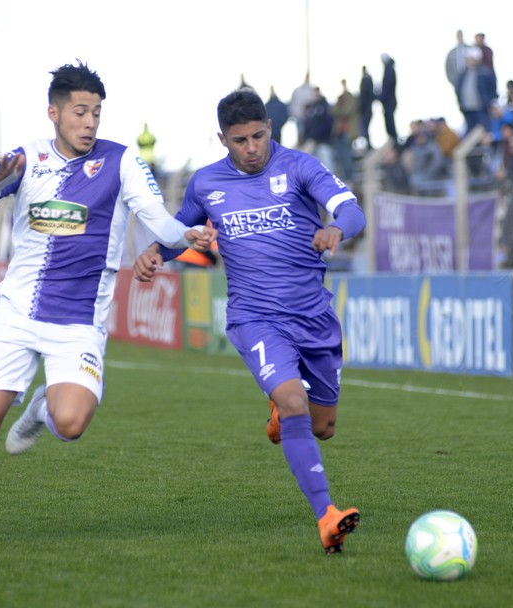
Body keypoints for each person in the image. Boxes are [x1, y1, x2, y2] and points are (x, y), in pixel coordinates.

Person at [0, 61, 216, 553]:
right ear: (54, 113)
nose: (89, 122)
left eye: (96, 113)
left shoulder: (121, 161)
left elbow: (160, 222)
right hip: (17, 312)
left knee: (72, 423)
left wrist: (186, 235)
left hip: (79, 321)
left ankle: (41, 408)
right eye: (80, 112)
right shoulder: (26, 158)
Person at [133, 90, 366, 554]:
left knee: (323, 427)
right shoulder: (205, 184)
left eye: (259, 136)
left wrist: (335, 229)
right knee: (295, 402)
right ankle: (326, 515)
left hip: (314, 316)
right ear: (223, 139)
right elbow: (183, 232)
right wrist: (157, 253)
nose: (252, 147)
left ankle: (283, 409)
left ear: (270, 129)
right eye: (240, 140)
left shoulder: (300, 167)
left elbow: (351, 208)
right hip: (253, 316)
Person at [378, 53, 398, 143]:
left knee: (390, 122)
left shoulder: (389, 69)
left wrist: (382, 96)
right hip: (389, 101)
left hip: (389, 101)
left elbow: (387, 86)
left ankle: (393, 139)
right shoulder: (389, 69)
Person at [358, 66, 374, 150]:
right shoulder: (369, 79)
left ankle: (368, 146)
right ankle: (368, 145)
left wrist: (361, 108)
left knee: (364, 128)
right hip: (368, 109)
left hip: (366, 110)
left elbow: (364, 96)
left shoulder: (365, 80)